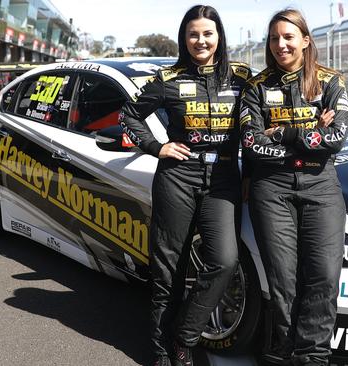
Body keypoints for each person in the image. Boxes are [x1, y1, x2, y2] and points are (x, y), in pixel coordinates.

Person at [118, 5, 250, 366]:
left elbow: (273, 111)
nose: (200, 40)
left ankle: (184, 335)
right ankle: (163, 355)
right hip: (177, 176)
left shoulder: (242, 78)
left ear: (219, 36)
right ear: (184, 38)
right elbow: (128, 115)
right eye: (193, 34)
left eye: (207, 33)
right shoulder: (167, 78)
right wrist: (156, 147)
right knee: (168, 270)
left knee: (224, 261)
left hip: (223, 178)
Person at [240, 8, 348, 365]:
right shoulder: (256, 87)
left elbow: (336, 138)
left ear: (305, 40)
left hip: (321, 187)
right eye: (274, 38)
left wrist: (284, 133)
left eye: (288, 37)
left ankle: (312, 359)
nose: (281, 44)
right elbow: (252, 143)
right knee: (284, 282)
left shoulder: (331, 81)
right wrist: (310, 134)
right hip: (271, 190)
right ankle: (286, 352)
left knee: (324, 277)